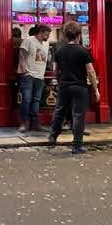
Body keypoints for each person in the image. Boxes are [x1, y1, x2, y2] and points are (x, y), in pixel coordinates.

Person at [47, 20, 94, 155]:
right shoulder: (83, 51)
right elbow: (90, 71)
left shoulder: (59, 51)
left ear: (65, 35)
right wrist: (95, 89)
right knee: (78, 115)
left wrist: (59, 81)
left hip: (64, 86)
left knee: (59, 112)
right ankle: (77, 146)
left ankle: (53, 137)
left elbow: (55, 70)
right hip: (79, 87)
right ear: (79, 35)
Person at [17, 23, 51, 133]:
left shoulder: (46, 44)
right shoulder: (29, 40)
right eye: (46, 34)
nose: (48, 37)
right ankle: (25, 123)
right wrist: (23, 69)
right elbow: (22, 54)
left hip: (40, 75)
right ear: (40, 32)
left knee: (36, 100)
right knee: (26, 99)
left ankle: (35, 123)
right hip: (29, 75)